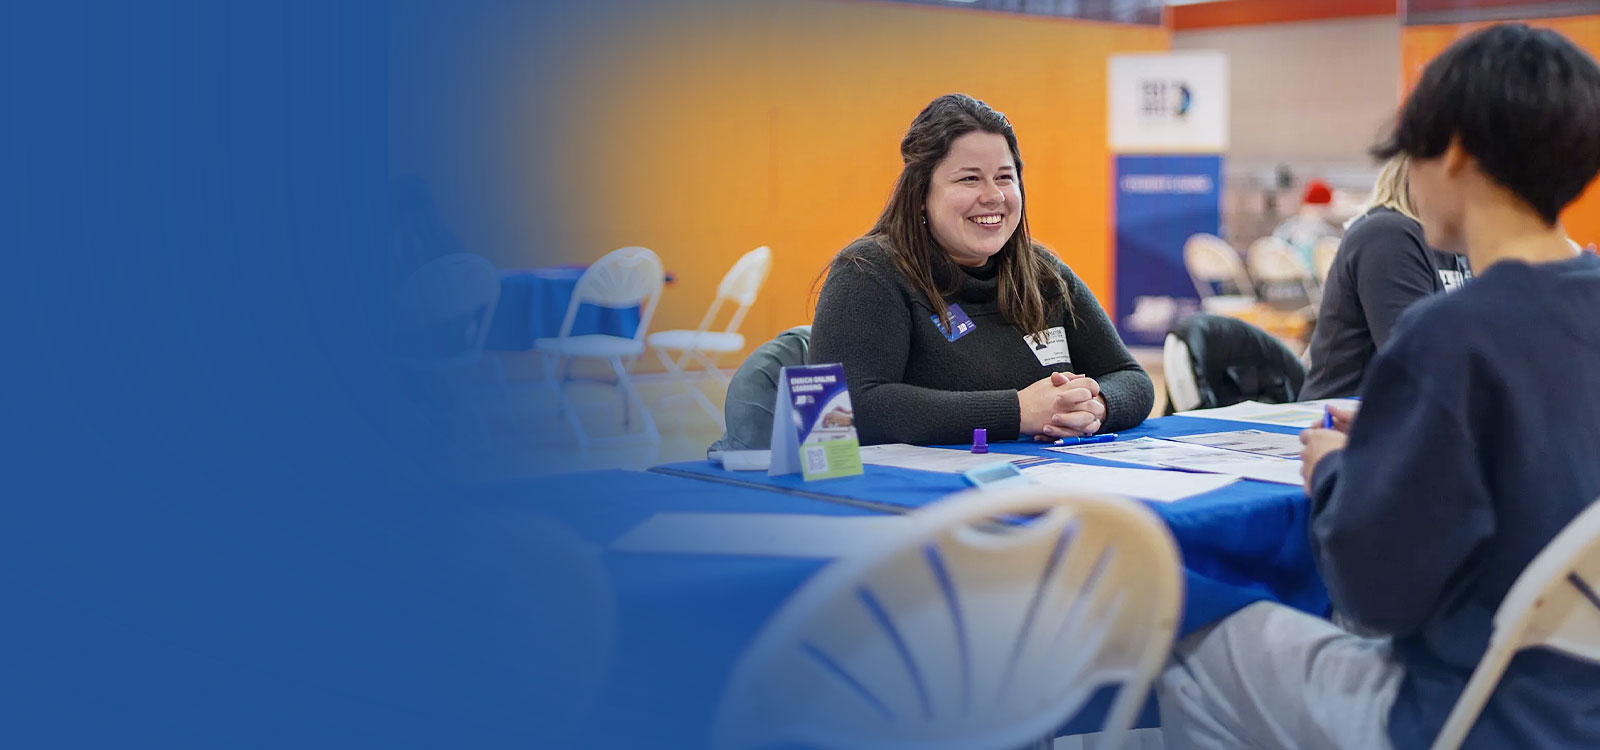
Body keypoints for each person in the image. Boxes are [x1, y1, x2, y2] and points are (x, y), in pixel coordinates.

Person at [1157, 23, 1600, 749]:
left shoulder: (1451, 336)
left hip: (1468, 710)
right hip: (1579, 704)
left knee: (1188, 641)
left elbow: (1374, 595)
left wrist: (1335, 471)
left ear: (1452, 152)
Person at [808, 94, 1153, 446]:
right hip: (917, 495)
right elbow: (846, 410)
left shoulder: (1044, 274)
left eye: (1004, 177)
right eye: (970, 179)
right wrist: (1017, 411)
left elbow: (1129, 377)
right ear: (921, 193)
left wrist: (1095, 407)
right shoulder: (869, 272)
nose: (994, 196)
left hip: (1041, 484)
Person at [1299, 156, 1472, 399]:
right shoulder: (1388, 235)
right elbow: (1415, 361)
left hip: (1408, 413)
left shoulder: (1454, 246)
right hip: (1346, 414)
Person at [1272, 178, 1341, 271]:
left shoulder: (1285, 228)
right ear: (1325, 206)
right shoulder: (1326, 233)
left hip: (1282, 282)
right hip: (1311, 282)